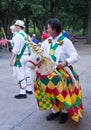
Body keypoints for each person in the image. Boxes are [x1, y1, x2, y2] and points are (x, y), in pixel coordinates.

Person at [38, 18, 83, 123]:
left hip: (62, 72)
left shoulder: (66, 41)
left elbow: (76, 56)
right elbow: (41, 53)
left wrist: (64, 62)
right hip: (49, 72)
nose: (47, 30)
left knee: (62, 93)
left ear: (54, 29)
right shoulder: (47, 42)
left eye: (48, 28)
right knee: (50, 92)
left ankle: (65, 112)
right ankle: (55, 111)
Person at [9, 20, 33, 99]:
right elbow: (30, 47)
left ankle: (22, 92)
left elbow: (15, 50)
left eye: (16, 25)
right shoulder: (27, 35)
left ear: (19, 26)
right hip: (27, 56)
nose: (15, 27)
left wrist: (11, 60)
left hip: (20, 58)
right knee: (27, 72)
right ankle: (29, 89)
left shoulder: (18, 36)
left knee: (20, 74)